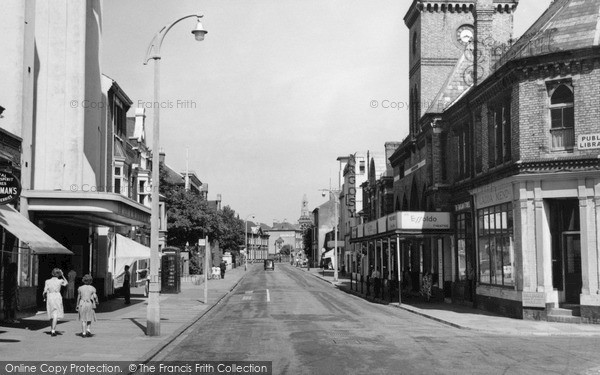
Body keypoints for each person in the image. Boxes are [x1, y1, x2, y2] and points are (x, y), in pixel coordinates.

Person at [43, 268, 68, 336]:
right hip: (57, 296)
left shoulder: (47, 281)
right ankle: (53, 330)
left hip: (50, 296)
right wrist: (62, 275)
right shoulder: (60, 281)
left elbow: (45, 290)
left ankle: (52, 329)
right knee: (56, 313)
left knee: (51, 312)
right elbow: (66, 283)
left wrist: (45, 297)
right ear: (58, 274)